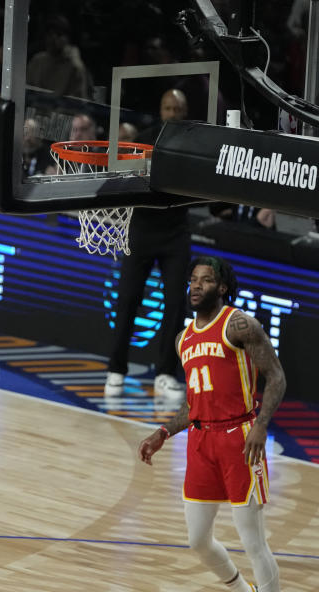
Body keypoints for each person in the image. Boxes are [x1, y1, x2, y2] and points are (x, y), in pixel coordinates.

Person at [138, 256, 288, 592]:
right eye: (192, 280)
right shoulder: (183, 338)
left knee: (253, 540)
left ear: (221, 288)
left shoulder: (238, 324)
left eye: (205, 280)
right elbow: (194, 402)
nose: (195, 286)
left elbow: (276, 377)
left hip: (240, 439)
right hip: (201, 443)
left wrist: (262, 425)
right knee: (197, 540)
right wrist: (163, 433)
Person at [104, 88, 191, 400]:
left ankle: (166, 374)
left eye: (177, 109)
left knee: (176, 304)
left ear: (185, 112)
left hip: (176, 231)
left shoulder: (195, 145)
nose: (172, 113)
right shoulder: (144, 140)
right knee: (127, 299)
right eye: (167, 108)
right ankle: (116, 368)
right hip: (142, 228)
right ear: (161, 110)